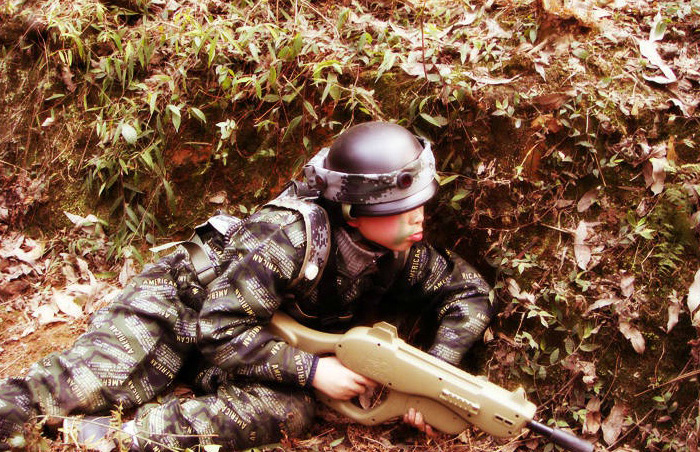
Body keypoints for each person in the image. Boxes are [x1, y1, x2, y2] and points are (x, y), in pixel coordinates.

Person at [0, 121, 495, 451]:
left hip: (251, 344)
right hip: (182, 307)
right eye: (399, 208)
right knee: (81, 385)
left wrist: (433, 375)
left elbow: (470, 293)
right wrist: (312, 370)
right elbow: (219, 328)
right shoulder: (289, 236)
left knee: (289, 412)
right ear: (353, 211)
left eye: (419, 203)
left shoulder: (400, 253)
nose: (417, 217)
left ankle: (114, 439)